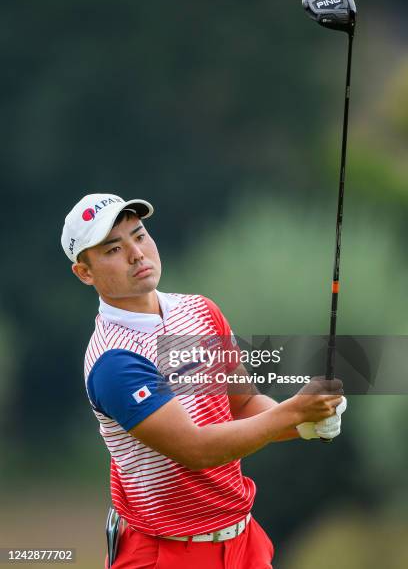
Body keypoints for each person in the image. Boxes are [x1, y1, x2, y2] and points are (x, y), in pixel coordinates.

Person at [61, 193, 346, 569]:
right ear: (85, 273)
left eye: (140, 235)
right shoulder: (115, 360)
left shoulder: (198, 310)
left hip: (243, 541)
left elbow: (243, 405)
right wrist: (294, 411)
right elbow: (195, 450)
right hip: (166, 553)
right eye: (114, 249)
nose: (136, 254)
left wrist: (308, 423)